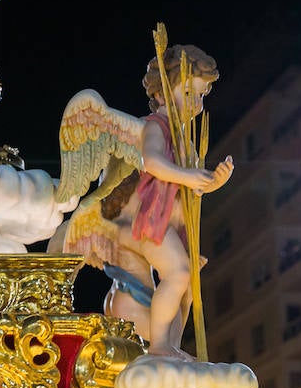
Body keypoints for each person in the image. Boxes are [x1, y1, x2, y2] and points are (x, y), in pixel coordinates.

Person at [53, 45, 233, 358]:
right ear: (162, 94)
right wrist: (189, 176)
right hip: (146, 222)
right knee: (177, 273)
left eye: (202, 95)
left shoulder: (183, 138)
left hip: (165, 221)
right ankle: (162, 347)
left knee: (185, 283)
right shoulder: (154, 126)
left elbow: (186, 190)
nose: (197, 104)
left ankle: (169, 345)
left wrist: (211, 181)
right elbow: (152, 163)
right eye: (189, 93)